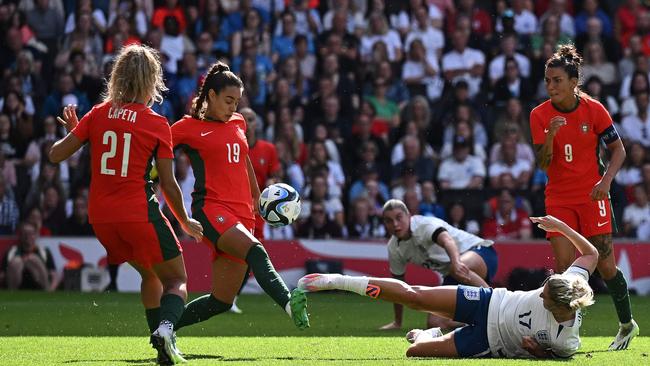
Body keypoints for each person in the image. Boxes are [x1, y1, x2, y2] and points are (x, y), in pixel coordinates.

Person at [48, 44, 203, 365]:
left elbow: (55, 155)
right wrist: (185, 221)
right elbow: (169, 184)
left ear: (117, 76)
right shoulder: (157, 123)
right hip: (137, 213)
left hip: (101, 218)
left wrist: (77, 132)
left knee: (151, 275)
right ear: (152, 81)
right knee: (177, 280)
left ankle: (160, 346)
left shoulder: (97, 113)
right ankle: (166, 330)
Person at [298, 215, 598, 359]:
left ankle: (425, 334)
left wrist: (541, 353)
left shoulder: (567, 340)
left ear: (557, 307)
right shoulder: (570, 284)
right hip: (488, 301)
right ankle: (336, 281)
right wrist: (562, 228)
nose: (540, 291)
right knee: (415, 296)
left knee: (414, 353)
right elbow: (590, 254)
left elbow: (563, 358)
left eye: (543, 294)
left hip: (488, 342)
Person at [170, 61, 309, 335]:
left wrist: (257, 199)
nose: (233, 107)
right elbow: (157, 145)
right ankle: (289, 303)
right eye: (228, 100)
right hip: (211, 209)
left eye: (237, 101)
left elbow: (243, 160)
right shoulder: (188, 127)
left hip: (243, 214)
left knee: (221, 301)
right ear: (211, 95)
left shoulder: (238, 122)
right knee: (256, 251)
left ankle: (165, 328)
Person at [530, 44, 639, 350]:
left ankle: (626, 325)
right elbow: (542, 163)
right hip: (559, 198)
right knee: (566, 270)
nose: (550, 86)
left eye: (557, 81)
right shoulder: (539, 115)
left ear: (573, 82)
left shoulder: (595, 110)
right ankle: (563, 336)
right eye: (548, 80)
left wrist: (606, 181)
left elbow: (618, 150)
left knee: (605, 267)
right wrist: (550, 134)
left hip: (593, 196)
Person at [377, 199, 498, 331]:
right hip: (454, 273)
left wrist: (456, 262)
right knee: (435, 323)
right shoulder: (394, 248)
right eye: (389, 220)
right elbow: (398, 286)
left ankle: (497, 307)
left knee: (457, 268)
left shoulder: (424, 224)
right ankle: (480, 321)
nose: (395, 224)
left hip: (481, 253)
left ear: (408, 215)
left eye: (399, 217)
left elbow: (447, 240)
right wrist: (397, 322)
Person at [0, 221, 59, 291]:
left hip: (40, 288)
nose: (28, 237)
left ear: (36, 235)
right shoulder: (11, 252)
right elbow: (2, 275)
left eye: (31, 234)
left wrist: (51, 290)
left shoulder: (44, 252)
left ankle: (46, 292)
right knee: (16, 262)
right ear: (20, 235)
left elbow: (54, 275)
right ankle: (12, 294)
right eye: (25, 234)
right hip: (16, 288)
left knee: (33, 259)